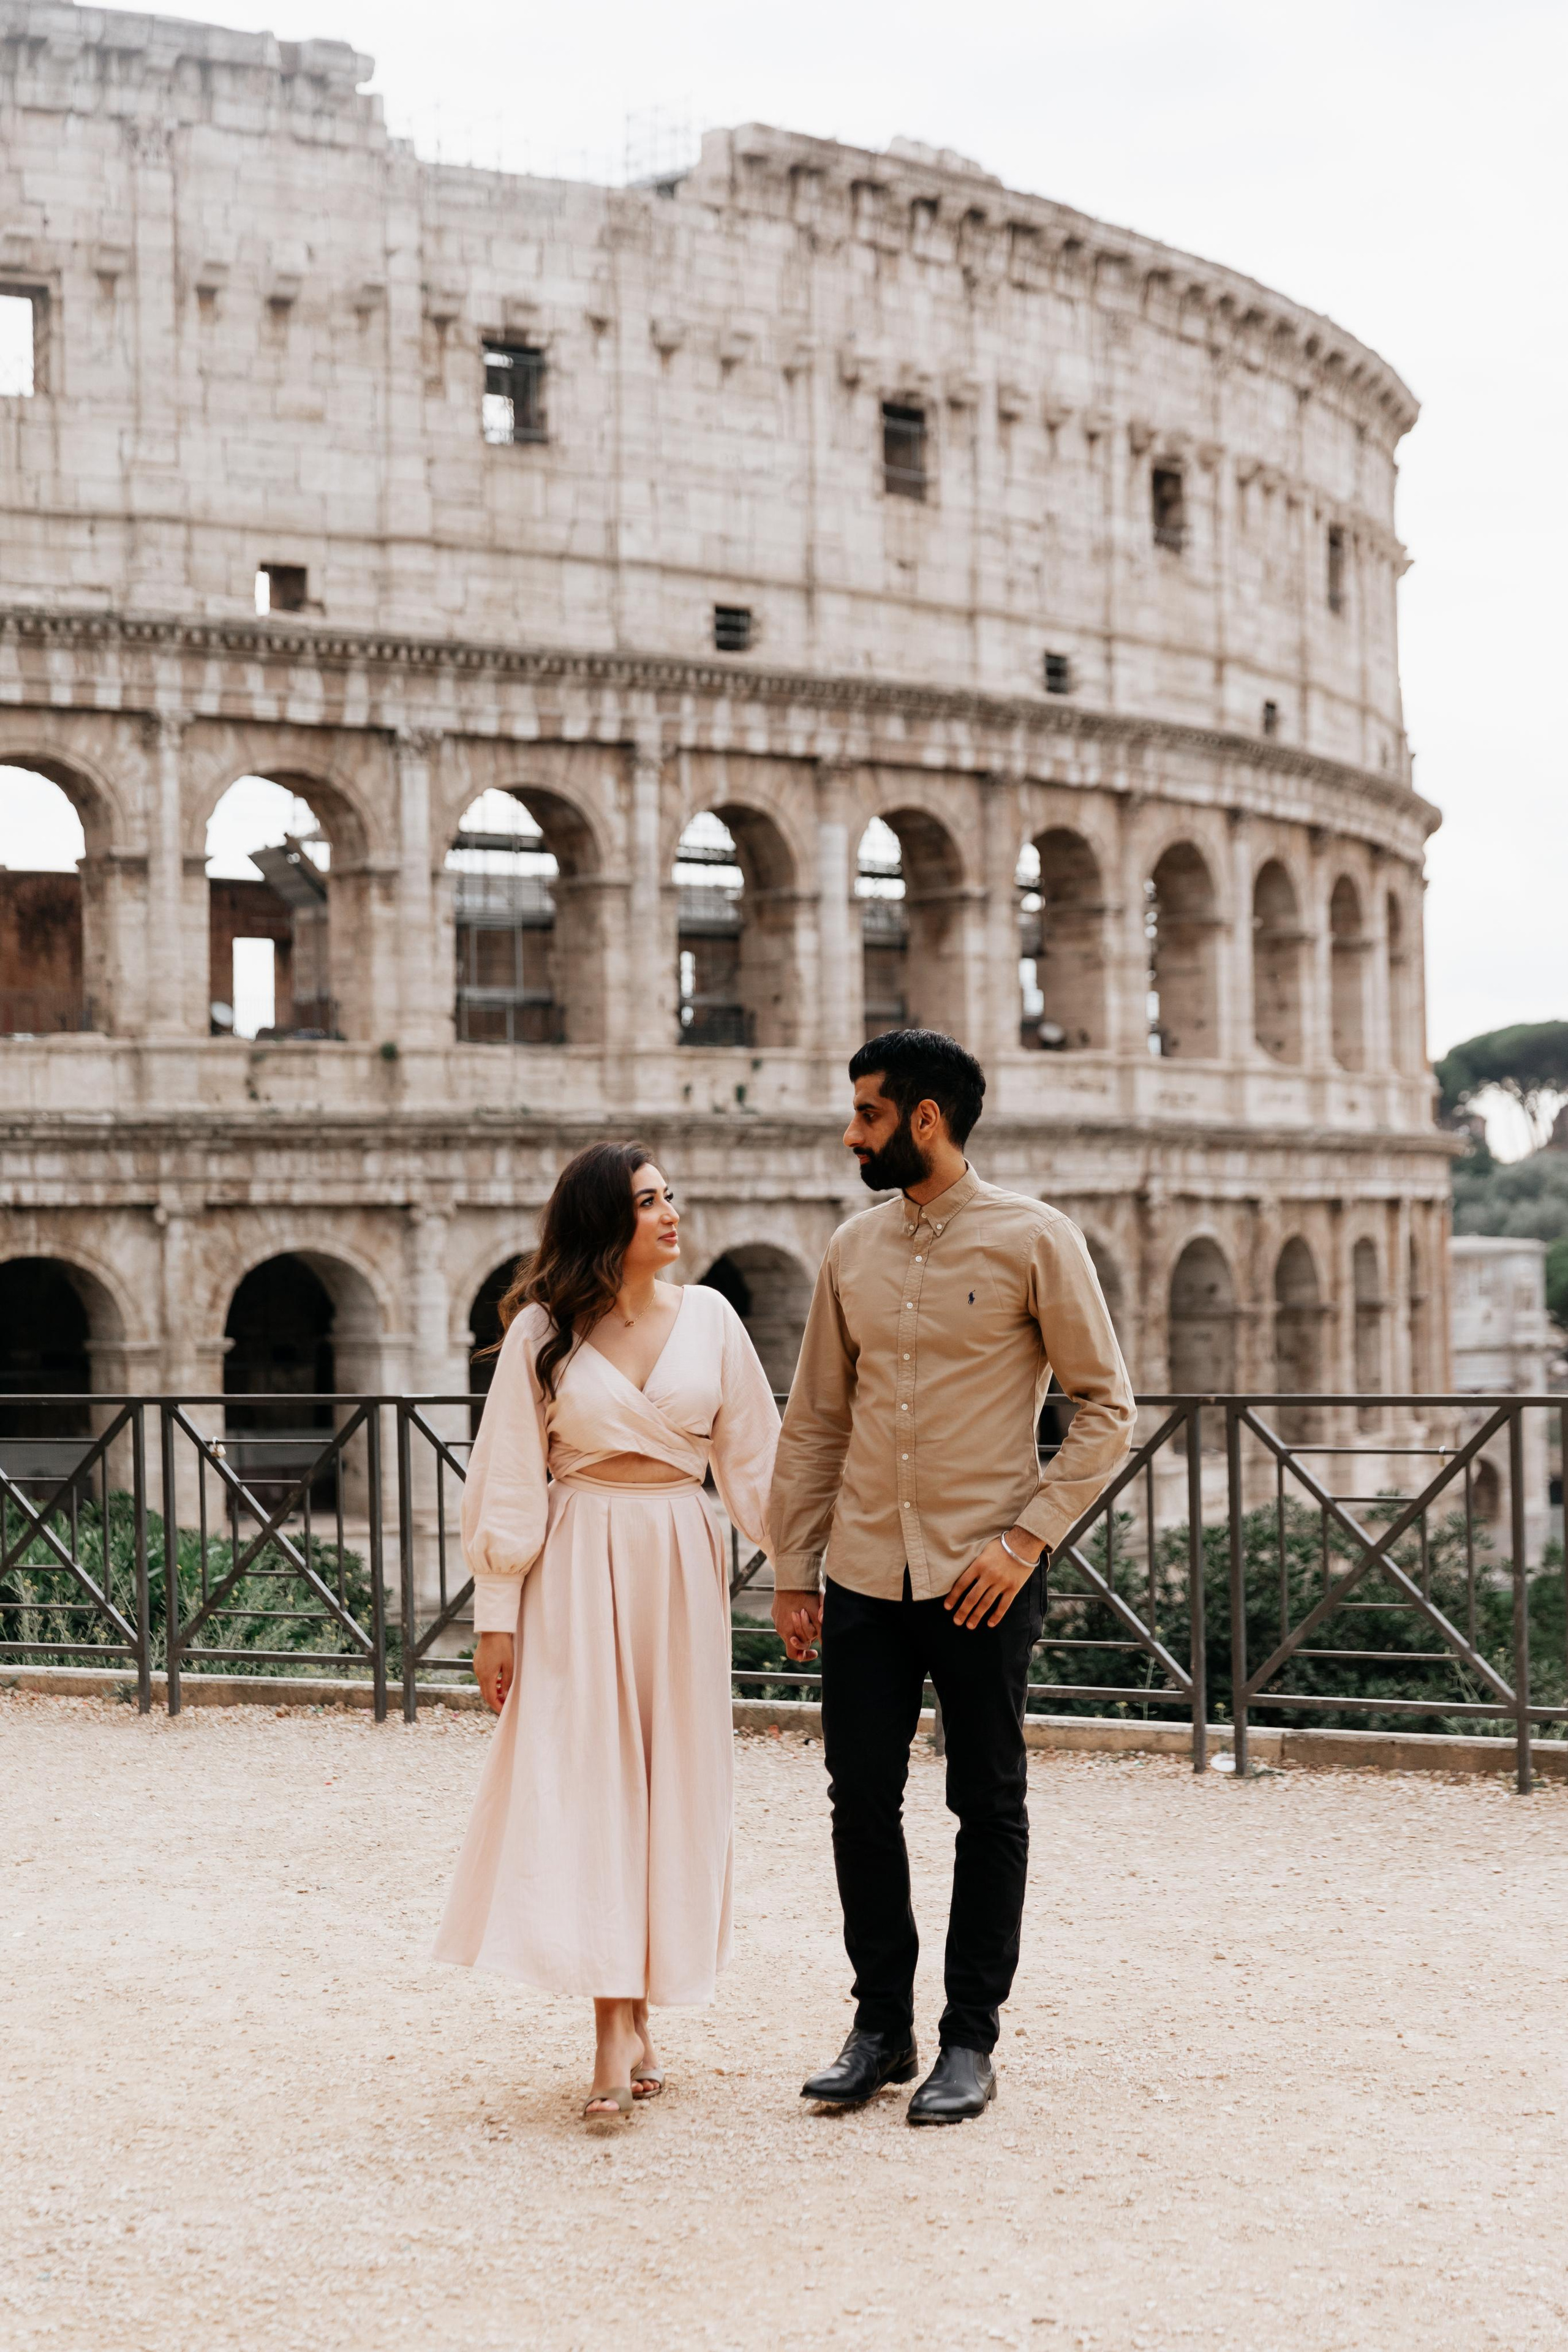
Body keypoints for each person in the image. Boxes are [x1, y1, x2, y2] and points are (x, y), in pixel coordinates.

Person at [769, 1030, 1134, 2125]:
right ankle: (880, 2027)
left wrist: (1025, 1542)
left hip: (986, 1574)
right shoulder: (849, 1251)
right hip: (867, 1577)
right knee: (858, 1804)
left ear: (925, 1119)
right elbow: (818, 1418)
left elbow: (1105, 1410)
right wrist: (794, 1568)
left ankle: (969, 2039)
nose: (852, 1134)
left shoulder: (1037, 1240)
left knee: (989, 1803)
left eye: (869, 1116)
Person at [433, 1141, 780, 2120]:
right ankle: (607, 2033)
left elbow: (758, 1460)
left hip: (679, 1552)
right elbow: (507, 1471)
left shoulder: (712, 1318)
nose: (672, 1213)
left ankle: (635, 2015)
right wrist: (496, 1614)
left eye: (672, 1196)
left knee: (673, 1784)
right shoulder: (543, 1329)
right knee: (591, 1788)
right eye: (647, 1201)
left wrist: (800, 1570)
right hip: (578, 1560)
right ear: (603, 1221)